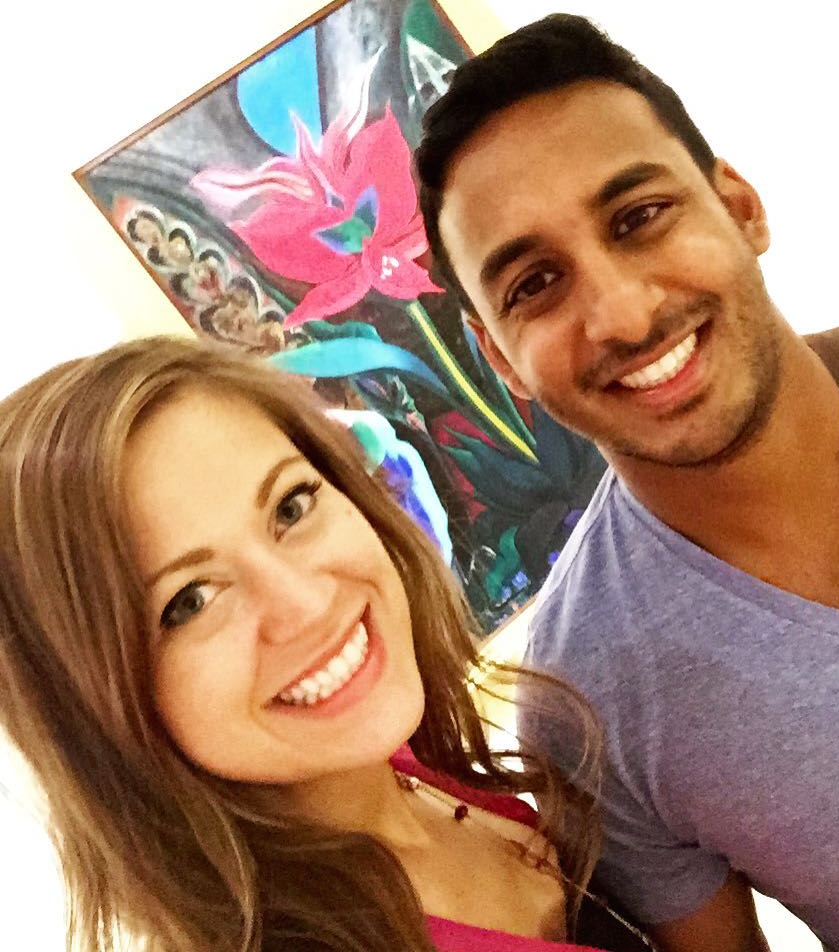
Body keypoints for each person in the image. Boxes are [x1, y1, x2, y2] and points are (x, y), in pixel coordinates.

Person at [414, 13, 839, 952]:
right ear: (500, 359)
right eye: (535, 284)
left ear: (739, 206)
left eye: (639, 218)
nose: (624, 316)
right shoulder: (588, 699)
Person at [0, 336, 651, 952]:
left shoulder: (391, 769)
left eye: (290, 507)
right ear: (88, 708)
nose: (307, 604)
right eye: (189, 600)